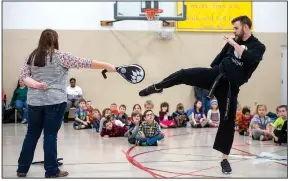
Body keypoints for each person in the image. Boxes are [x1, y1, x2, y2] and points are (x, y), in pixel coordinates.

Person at [138, 16, 266, 174]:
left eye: (236, 28)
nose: (234, 31)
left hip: (230, 87)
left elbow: (249, 58)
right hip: (217, 75)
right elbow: (217, 60)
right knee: (185, 73)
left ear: (246, 27)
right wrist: (208, 76)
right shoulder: (232, 43)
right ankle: (158, 86)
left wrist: (233, 43)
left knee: (227, 121)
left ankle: (224, 159)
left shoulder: (258, 46)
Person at [17, 29, 116, 178]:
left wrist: (37, 85)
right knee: (50, 135)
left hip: (34, 102)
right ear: (55, 41)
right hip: (55, 101)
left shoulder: (30, 57)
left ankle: (22, 169)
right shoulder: (61, 57)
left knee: (31, 134)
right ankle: (51, 170)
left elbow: (23, 77)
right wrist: (106, 65)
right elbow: (85, 63)